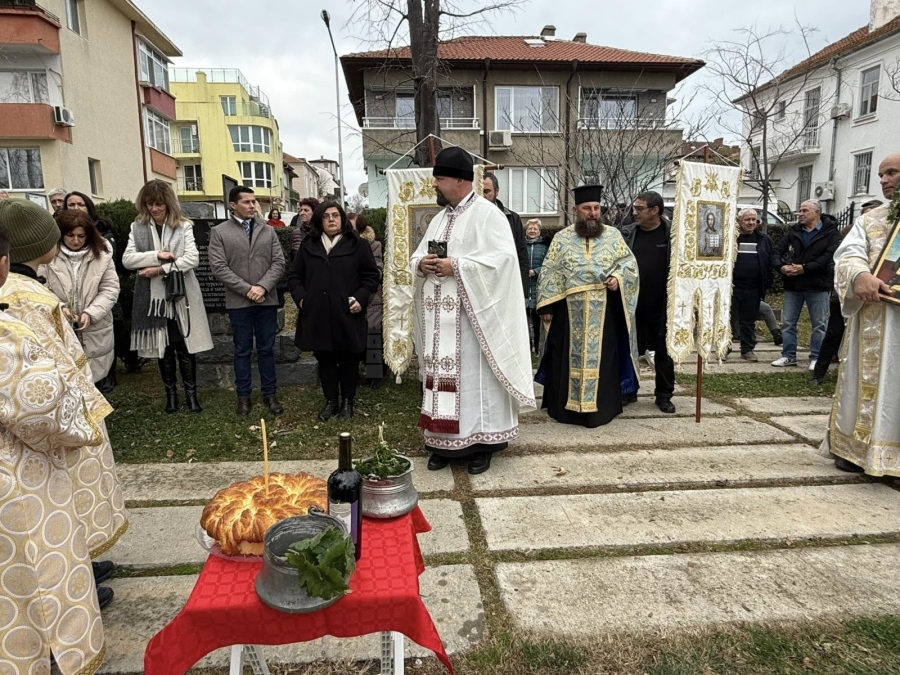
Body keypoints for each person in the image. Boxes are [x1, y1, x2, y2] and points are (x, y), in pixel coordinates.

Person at [0, 199, 127, 621]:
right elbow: (42, 372)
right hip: (48, 426)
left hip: (57, 414)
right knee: (51, 510)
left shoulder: (26, 288)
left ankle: (81, 562)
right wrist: (77, 416)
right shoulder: (24, 299)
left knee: (64, 501)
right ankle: (68, 586)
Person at [408, 147, 535, 475]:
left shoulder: (488, 214)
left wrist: (458, 266)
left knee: (476, 384)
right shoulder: (439, 219)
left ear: (460, 180)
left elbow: (503, 262)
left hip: (474, 323)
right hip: (441, 325)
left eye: (440, 178)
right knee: (442, 382)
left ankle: (484, 444)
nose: (435, 184)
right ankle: (441, 443)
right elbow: (418, 256)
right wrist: (422, 263)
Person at [536, 185, 640, 427]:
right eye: (587, 208)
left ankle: (601, 410)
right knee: (564, 357)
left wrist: (618, 279)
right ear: (575, 210)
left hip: (604, 310)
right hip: (567, 312)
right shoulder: (562, 238)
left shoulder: (613, 235)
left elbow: (629, 265)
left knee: (605, 360)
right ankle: (566, 410)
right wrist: (546, 307)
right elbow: (550, 271)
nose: (593, 213)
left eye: (596, 208)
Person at [823, 152, 900, 475]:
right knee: (867, 383)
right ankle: (855, 451)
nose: (883, 180)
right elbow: (848, 254)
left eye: (892, 173)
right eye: (881, 174)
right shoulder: (871, 220)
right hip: (876, 320)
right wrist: (859, 276)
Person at [123, 180, 214, 413]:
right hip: (154, 300)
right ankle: (171, 396)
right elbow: (128, 259)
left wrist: (159, 269)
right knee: (163, 348)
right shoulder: (138, 227)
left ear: (168, 204)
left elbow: (192, 259)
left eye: (159, 204)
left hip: (180, 295)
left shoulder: (183, 226)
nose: (154, 209)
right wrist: (159, 255)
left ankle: (191, 396)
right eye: (149, 203)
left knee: (184, 345)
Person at [289, 202, 379, 420]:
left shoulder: (358, 244)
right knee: (325, 358)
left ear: (342, 219)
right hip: (318, 314)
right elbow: (295, 276)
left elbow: (371, 276)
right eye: (326, 216)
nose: (331, 219)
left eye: (336, 215)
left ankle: (348, 401)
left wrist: (361, 298)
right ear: (320, 220)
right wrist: (301, 299)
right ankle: (331, 401)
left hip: (347, 312)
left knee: (348, 359)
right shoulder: (309, 245)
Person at [209, 186, 286, 416]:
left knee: (266, 349)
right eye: (247, 202)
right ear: (233, 205)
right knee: (242, 350)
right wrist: (247, 289)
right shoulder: (220, 232)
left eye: (254, 202)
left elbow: (279, 262)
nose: (253, 206)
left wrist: (262, 286)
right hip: (239, 302)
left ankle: (269, 394)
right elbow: (218, 267)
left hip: (267, 299)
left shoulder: (268, 230)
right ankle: (243, 397)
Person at [42, 208, 120, 387]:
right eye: (70, 235)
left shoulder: (103, 251)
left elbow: (110, 288)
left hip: (95, 326)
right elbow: (41, 287)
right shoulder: (48, 253)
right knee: (65, 383)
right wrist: (59, 307)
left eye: (81, 235)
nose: (75, 240)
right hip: (60, 324)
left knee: (94, 383)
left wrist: (91, 313)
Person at [810, 202, 881, 385]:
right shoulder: (850, 234)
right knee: (834, 333)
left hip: (878, 299)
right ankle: (819, 373)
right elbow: (839, 261)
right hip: (844, 294)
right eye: (865, 214)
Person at [621, 191, 676, 413]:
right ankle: (628, 391)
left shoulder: (672, 236)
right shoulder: (627, 234)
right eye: (635, 208)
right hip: (632, 306)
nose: (634, 212)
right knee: (631, 350)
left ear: (655, 210)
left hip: (662, 307)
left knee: (664, 353)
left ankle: (664, 395)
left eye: (639, 208)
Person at [770, 200, 841, 370]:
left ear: (816, 212)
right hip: (793, 285)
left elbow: (829, 257)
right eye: (800, 210)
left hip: (817, 285)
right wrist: (781, 267)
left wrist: (805, 269)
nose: (800, 214)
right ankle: (788, 356)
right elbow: (776, 252)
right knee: (788, 322)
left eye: (804, 211)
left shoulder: (831, 233)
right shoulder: (794, 232)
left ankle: (816, 357)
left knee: (819, 324)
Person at [730, 208, 773, 362]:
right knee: (728, 319)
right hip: (732, 287)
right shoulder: (731, 238)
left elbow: (769, 263)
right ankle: (724, 348)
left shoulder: (763, 239)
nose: (751, 223)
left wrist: (767, 283)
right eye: (747, 220)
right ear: (739, 221)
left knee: (748, 320)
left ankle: (747, 349)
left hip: (753, 287)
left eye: (754, 220)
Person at [482, 172, 529, 293]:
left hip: (506, 284)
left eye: (487, 191)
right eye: (479, 191)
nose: (482, 196)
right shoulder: (468, 217)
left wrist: (523, 290)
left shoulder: (512, 218)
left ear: (496, 191)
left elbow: (521, 254)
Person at [356, 212, 386, 387]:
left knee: (373, 333)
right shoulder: (345, 244)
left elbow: (378, 267)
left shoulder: (374, 245)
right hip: (353, 295)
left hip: (373, 295)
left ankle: (375, 373)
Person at [524, 218, 549, 354]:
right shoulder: (521, 245)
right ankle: (527, 348)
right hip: (525, 287)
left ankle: (538, 350)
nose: (532, 231)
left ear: (539, 231)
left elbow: (547, 265)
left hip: (538, 287)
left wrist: (535, 272)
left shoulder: (544, 246)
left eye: (535, 229)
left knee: (537, 321)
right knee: (524, 322)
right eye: (530, 229)